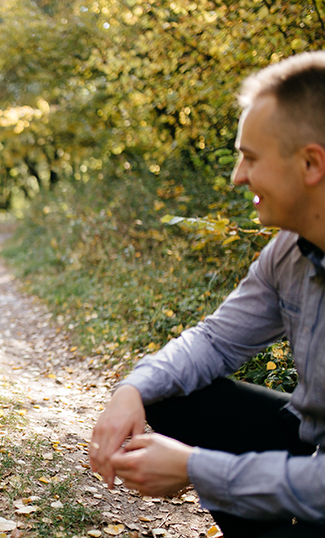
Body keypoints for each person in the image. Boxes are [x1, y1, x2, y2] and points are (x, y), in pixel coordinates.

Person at [89, 52, 325, 538]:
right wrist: (129, 390)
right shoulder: (288, 252)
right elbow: (214, 342)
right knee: (172, 394)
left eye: (251, 158)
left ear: (311, 163)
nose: (238, 175)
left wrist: (197, 469)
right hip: (312, 438)